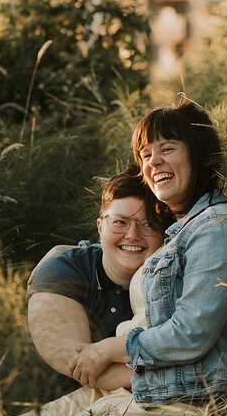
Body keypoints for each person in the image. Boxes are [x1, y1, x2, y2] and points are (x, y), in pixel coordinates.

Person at [0, 99, 227, 416]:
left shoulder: (217, 230)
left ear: (198, 156)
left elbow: (191, 334)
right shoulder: (182, 231)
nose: (153, 162)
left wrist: (110, 347)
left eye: (167, 149)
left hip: (178, 405)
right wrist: (62, 253)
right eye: (146, 153)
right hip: (147, 388)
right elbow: (118, 239)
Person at [24, 166, 168, 395]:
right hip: (16, 398)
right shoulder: (62, 271)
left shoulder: (167, 282)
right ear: (100, 227)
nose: (132, 235)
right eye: (120, 222)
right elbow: (78, 364)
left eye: (148, 224)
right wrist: (183, 371)